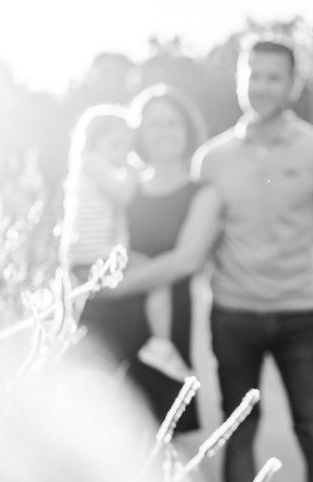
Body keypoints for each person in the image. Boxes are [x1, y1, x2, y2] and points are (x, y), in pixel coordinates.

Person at [192, 36, 313, 482]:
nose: (261, 86)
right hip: (232, 314)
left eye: (273, 77)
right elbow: (195, 245)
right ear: (240, 78)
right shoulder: (212, 158)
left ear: (292, 84)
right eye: (253, 75)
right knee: (237, 433)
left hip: (302, 316)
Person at [73, 84, 222, 435]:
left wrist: (115, 286)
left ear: (188, 130)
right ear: (137, 133)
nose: (164, 132)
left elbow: (186, 260)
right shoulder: (123, 185)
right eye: (154, 124)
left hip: (164, 330)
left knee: (165, 432)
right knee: (89, 427)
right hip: (106, 317)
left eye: (172, 123)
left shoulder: (204, 193)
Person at [60, 103, 190, 382]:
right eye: (116, 145)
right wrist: (131, 169)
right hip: (95, 253)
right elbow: (124, 194)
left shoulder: (94, 166)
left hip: (91, 254)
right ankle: (161, 343)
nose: (123, 154)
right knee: (156, 275)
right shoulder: (92, 163)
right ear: (94, 142)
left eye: (127, 147)